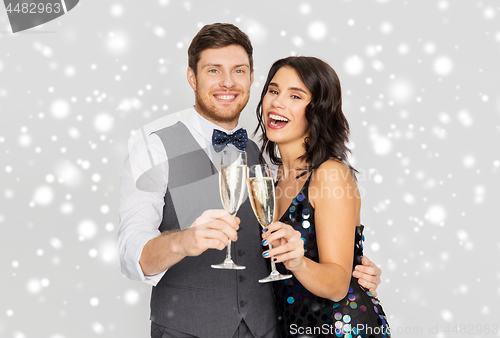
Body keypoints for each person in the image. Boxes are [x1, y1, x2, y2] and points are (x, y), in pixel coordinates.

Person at [117, 23, 383, 338]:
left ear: (251, 78)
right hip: (186, 329)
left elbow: (320, 250)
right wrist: (182, 241)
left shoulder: (262, 156)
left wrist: (352, 270)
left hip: (276, 328)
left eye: (238, 71)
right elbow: (129, 252)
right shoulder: (154, 146)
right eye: (214, 70)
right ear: (192, 76)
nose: (227, 82)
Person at [255, 56, 390, 337]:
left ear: (318, 110)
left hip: (342, 328)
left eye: (295, 95)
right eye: (273, 90)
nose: (278, 102)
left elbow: (338, 284)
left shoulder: (330, 174)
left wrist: (298, 262)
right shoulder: (272, 178)